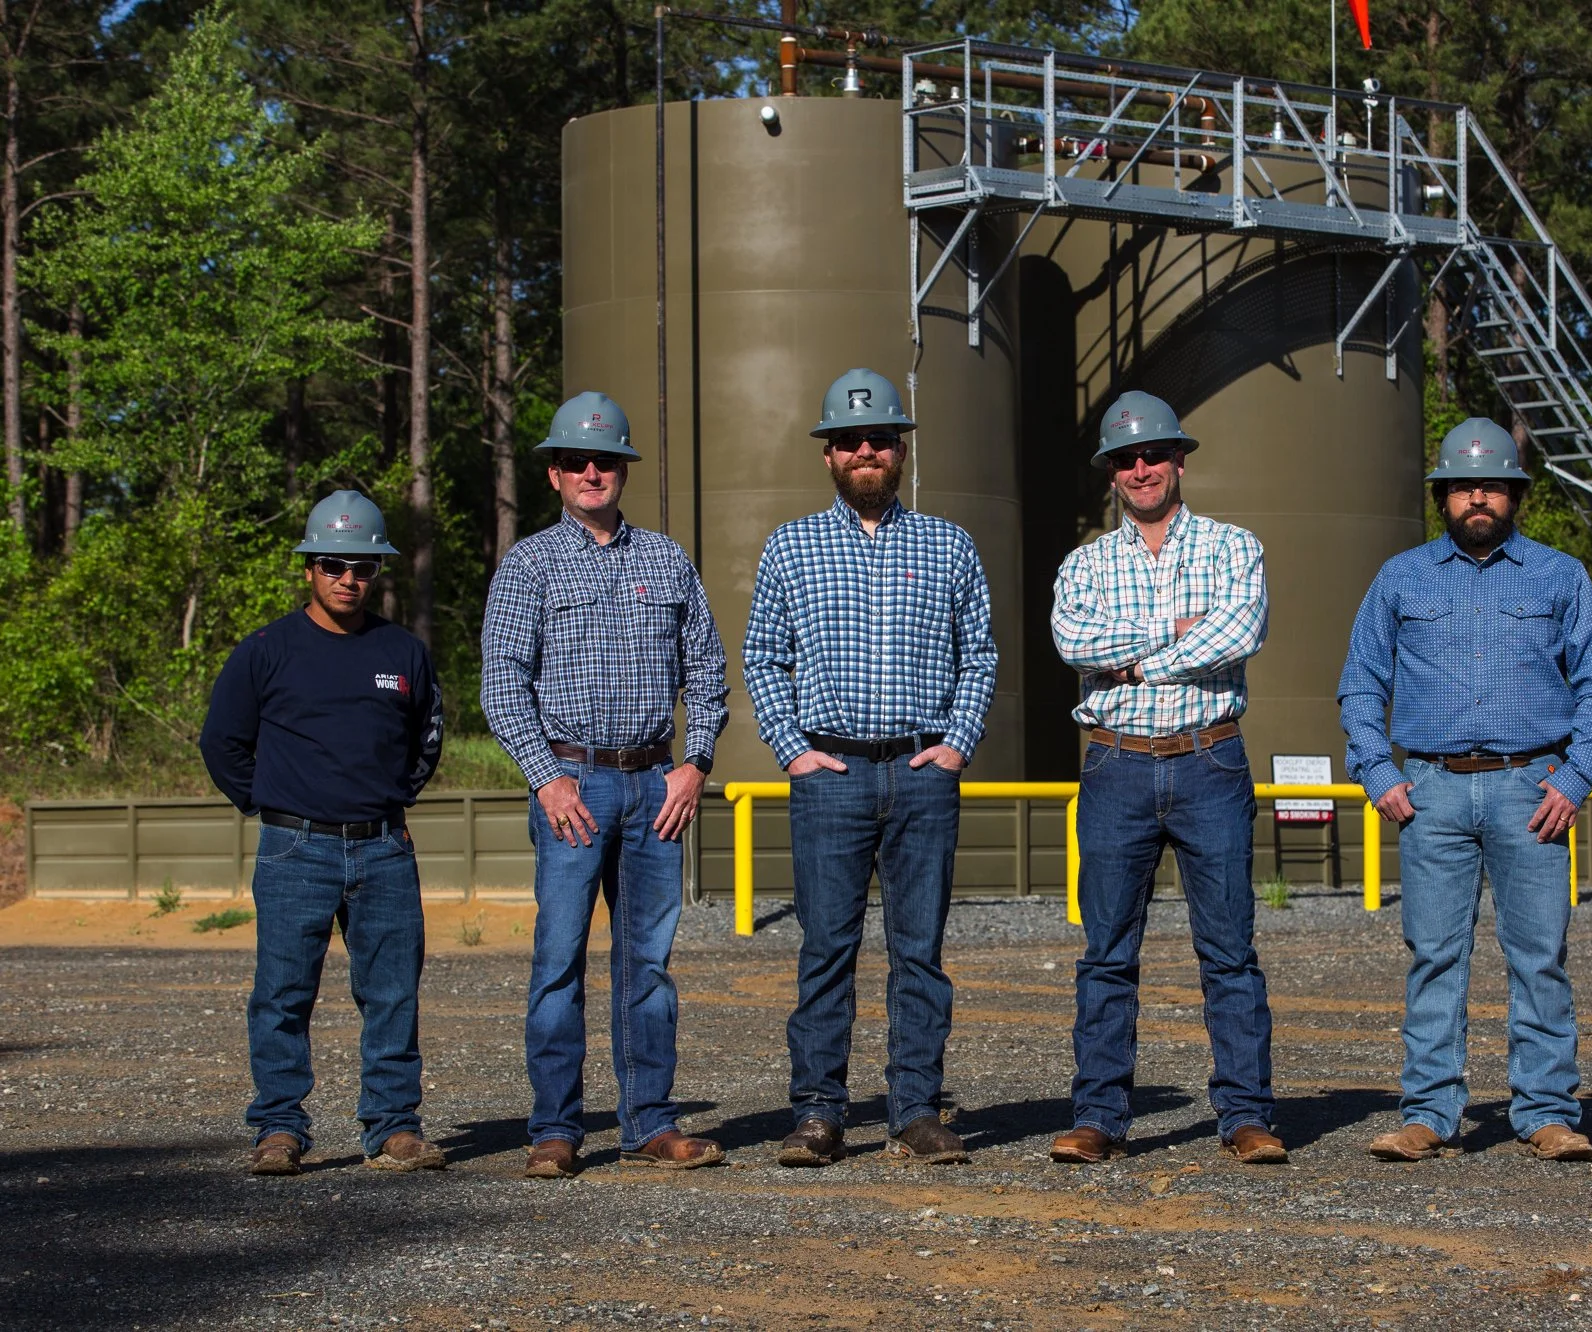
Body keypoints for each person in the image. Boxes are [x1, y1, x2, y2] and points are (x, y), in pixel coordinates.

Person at [1339, 419, 1592, 1163]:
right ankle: (1429, 1112)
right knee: (1434, 955)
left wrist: (1577, 775)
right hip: (1429, 788)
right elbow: (1361, 683)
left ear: (1515, 495)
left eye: (1492, 486)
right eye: (1464, 487)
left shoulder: (1560, 577)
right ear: (1443, 496)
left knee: (1539, 957)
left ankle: (1547, 1112)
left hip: (1532, 788)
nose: (1478, 498)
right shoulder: (1401, 578)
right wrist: (1377, 771)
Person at [741, 368, 997, 1168]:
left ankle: (917, 1110)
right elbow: (761, 656)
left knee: (918, 949)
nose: (864, 453)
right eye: (849, 442)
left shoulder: (949, 544)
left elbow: (980, 654)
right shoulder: (791, 545)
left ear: (900, 451)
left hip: (922, 773)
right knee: (826, 948)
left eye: (879, 441)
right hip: (833, 776)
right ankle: (819, 1112)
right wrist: (792, 751)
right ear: (828, 455)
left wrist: (957, 742)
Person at [481, 390, 730, 1179]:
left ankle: (649, 1123)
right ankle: (555, 1129)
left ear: (624, 470)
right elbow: (501, 683)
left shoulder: (667, 560)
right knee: (558, 960)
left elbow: (711, 671)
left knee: (647, 964)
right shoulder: (528, 566)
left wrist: (696, 763)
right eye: (576, 461)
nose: (593, 471)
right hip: (572, 786)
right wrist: (546, 779)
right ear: (554, 474)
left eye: (607, 460)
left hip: (655, 782)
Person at [1048, 390, 1285, 1165]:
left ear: (1180, 457)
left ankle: (1246, 1116)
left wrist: (1132, 658)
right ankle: (1099, 1118)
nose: (1142, 468)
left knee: (1228, 950)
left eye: (1154, 454)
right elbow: (1070, 640)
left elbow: (1240, 626)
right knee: (1106, 952)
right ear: (1112, 474)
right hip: (1115, 762)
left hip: (1209, 758)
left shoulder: (1232, 546)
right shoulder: (1083, 563)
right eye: (1126, 458)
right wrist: (1177, 639)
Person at [200, 490, 446, 1176]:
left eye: (363, 567)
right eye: (334, 565)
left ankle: (393, 1126)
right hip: (294, 847)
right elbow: (222, 742)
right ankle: (279, 1127)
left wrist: (392, 799)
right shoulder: (266, 651)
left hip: (384, 847)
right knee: (282, 992)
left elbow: (427, 737)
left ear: (378, 573)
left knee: (392, 991)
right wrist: (270, 803)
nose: (349, 579)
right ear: (309, 567)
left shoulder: (404, 652)